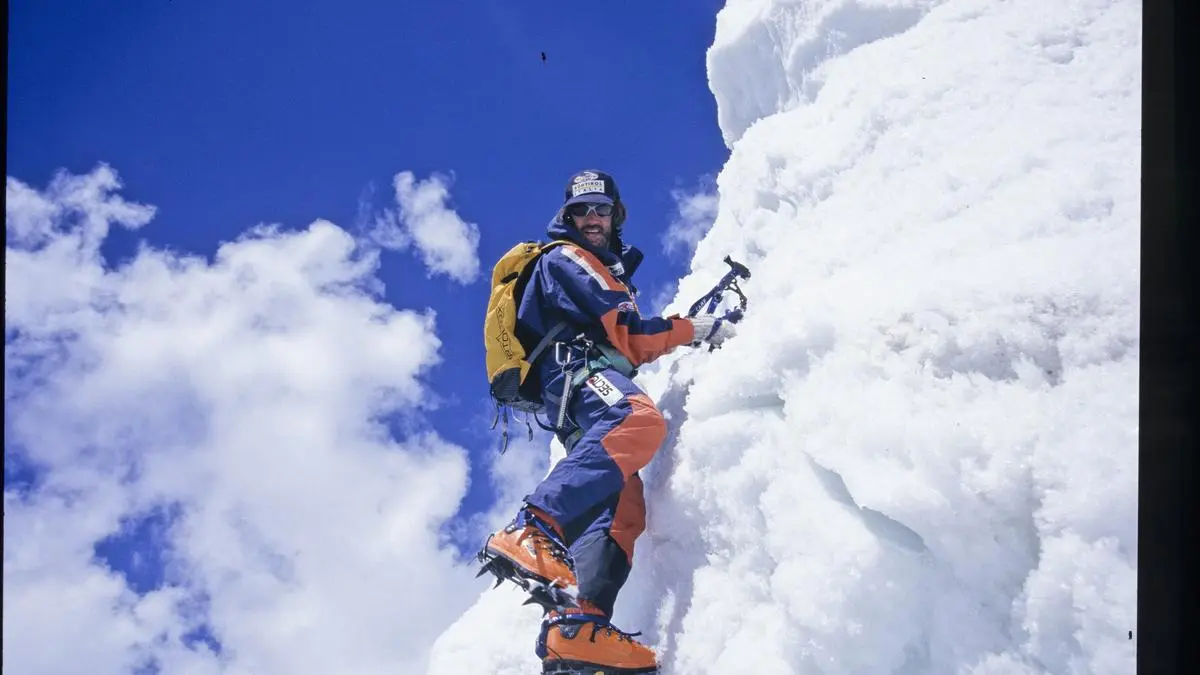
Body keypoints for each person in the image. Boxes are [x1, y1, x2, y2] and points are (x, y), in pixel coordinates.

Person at [480, 169, 736, 674]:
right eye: (581, 210)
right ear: (567, 217)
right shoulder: (569, 258)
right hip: (580, 373)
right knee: (636, 419)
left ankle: (579, 625)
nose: (592, 218)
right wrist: (694, 328)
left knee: (621, 507)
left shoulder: (590, 263)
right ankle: (533, 527)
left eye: (601, 209)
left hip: (572, 401)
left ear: (616, 215)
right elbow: (629, 334)